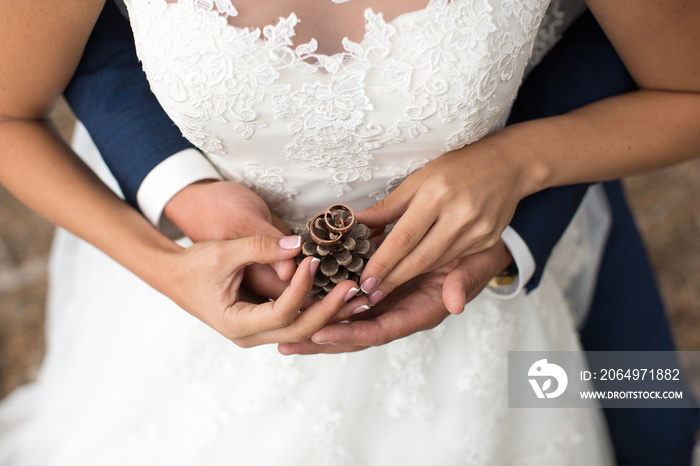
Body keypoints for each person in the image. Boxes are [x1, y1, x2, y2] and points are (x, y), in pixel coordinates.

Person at [0, 0, 698, 464]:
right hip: (195, 320)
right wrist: (162, 260)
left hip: (486, 321)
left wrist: (518, 165)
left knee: (642, 409)